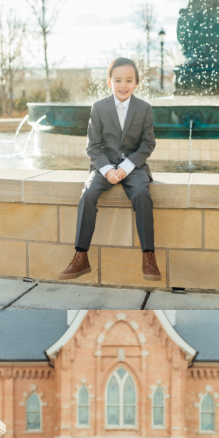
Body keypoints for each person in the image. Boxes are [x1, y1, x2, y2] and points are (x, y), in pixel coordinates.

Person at [61, 57, 160, 281]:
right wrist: (107, 170)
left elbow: (147, 144)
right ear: (109, 83)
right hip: (103, 166)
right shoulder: (99, 108)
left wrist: (126, 167)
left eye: (128, 80)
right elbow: (93, 147)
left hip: (134, 168)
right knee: (87, 195)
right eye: (118, 80)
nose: (123, 85)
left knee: (142, 195)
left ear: (136, 83)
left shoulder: (144, 109)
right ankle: (80, 255)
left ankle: (149, 256)